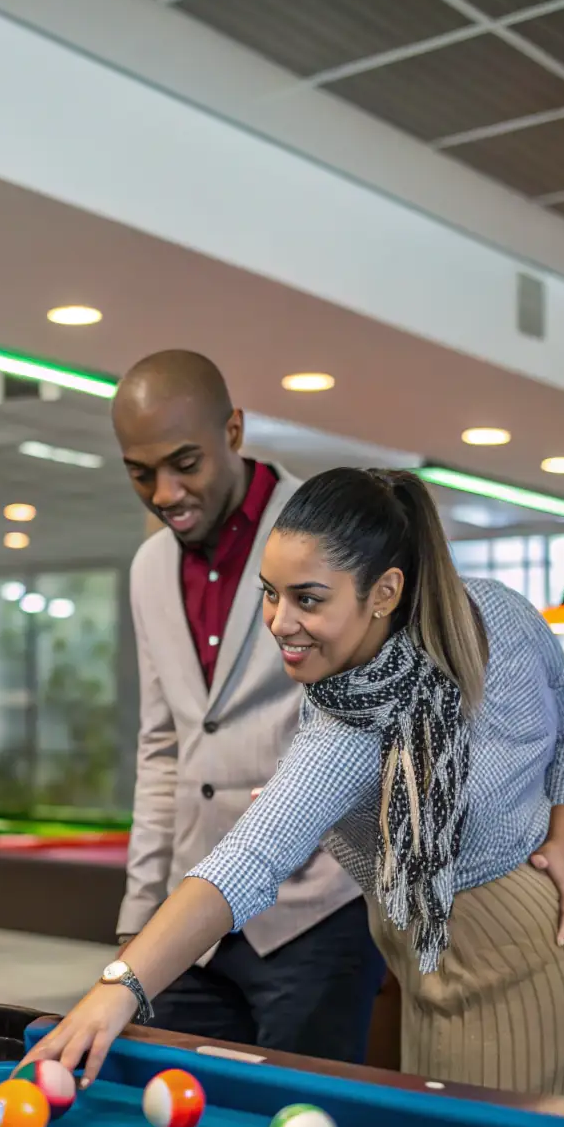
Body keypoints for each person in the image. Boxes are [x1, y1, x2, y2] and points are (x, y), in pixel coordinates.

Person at [26, 467, 564, 1098]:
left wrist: (118, 988)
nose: (279, 622)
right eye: (270, 592)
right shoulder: (471, 610)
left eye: (308, 599)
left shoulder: (367, 713)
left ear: (385, 591)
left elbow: (246, 862)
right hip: (433, 967)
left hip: (517, 971)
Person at [112, 351, 384, 1062]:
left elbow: (377, 720)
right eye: (141, 472)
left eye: (184, 462)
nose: (165, 491)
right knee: (176, 1118)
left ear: (233, 430)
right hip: (193, 918)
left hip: (315, 914)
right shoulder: (147, 569)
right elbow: (164, 746)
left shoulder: (330, 535)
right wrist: (141, 915)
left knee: (300, 1125)